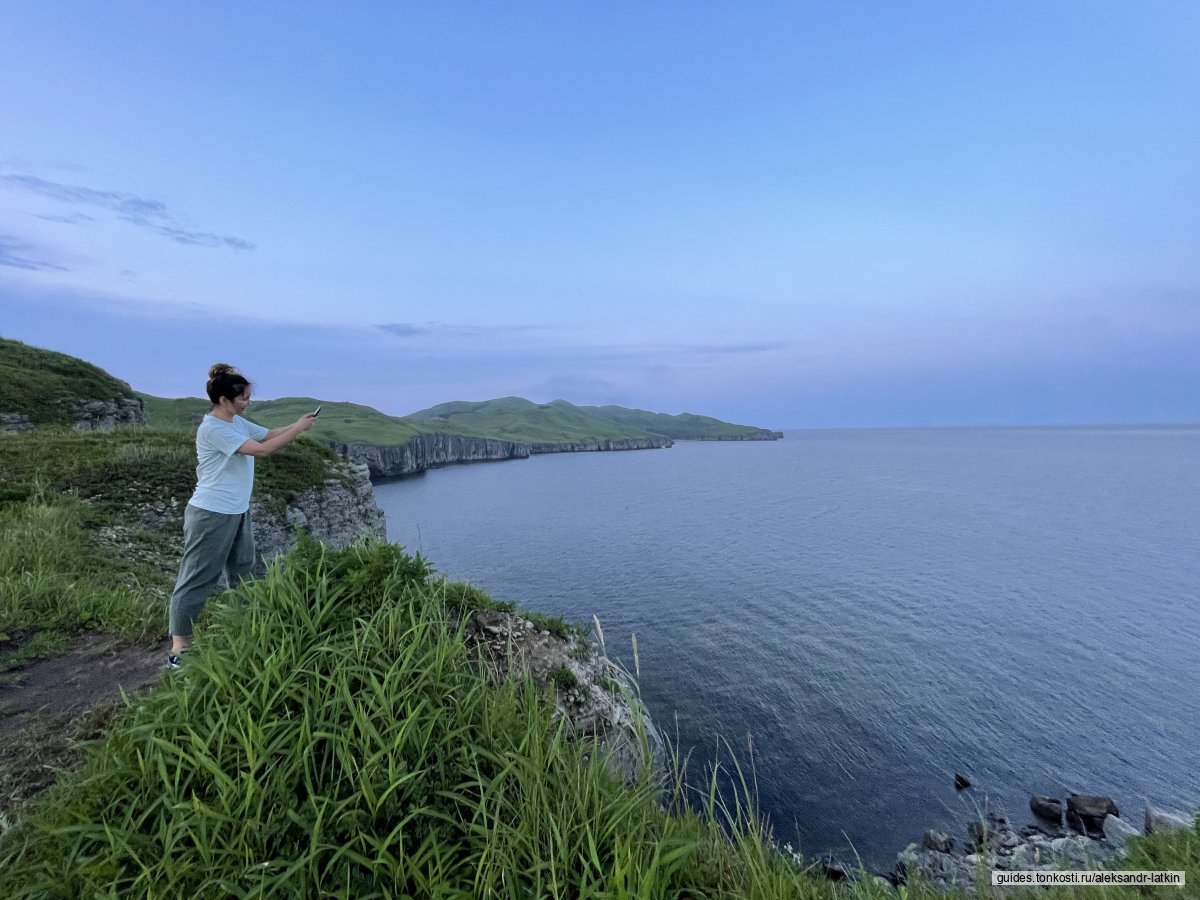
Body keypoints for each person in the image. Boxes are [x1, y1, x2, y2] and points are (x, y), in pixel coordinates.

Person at [166, 363, 317, 668]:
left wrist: (296, 424)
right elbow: (261, 451)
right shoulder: (213, 428)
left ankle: (244, 628)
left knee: (244, 571)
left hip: (236, 509)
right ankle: (179, 650)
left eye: (248, 397)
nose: (248, 403)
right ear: (224, 399)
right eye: (243, 398)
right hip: (210, 512)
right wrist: (298, 430)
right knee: (197, 577)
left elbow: (267, 435)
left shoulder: (235, 422)